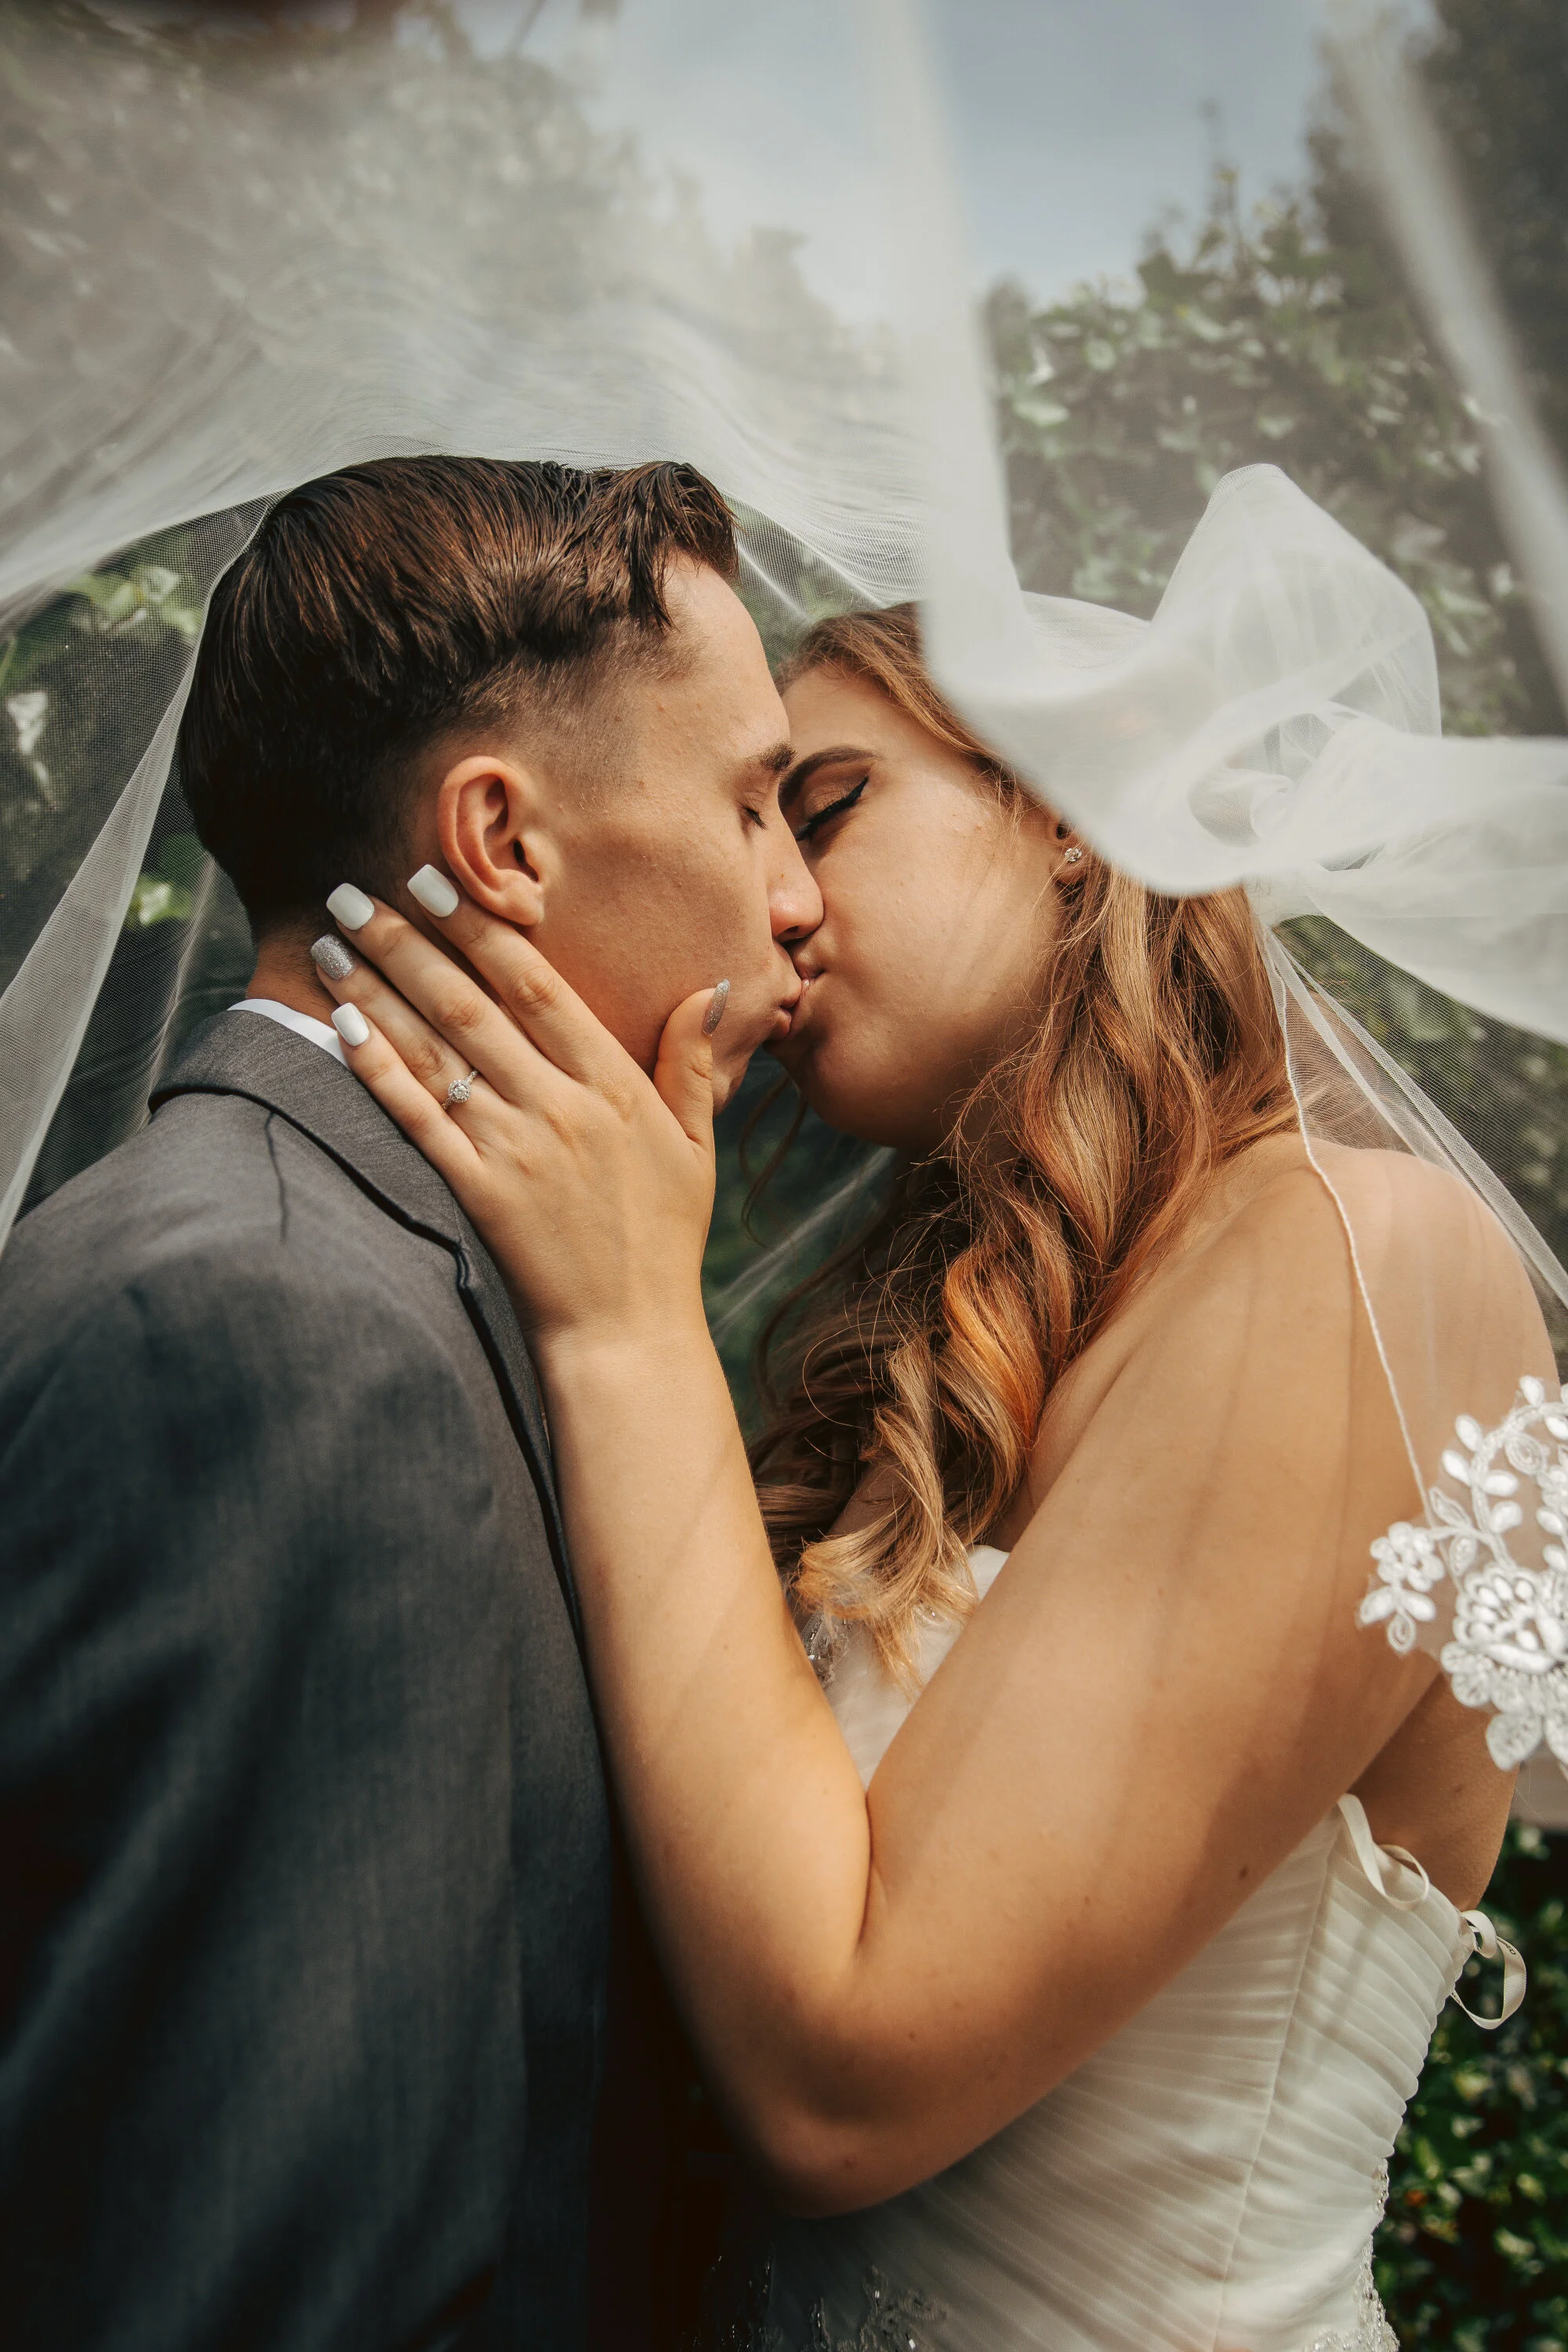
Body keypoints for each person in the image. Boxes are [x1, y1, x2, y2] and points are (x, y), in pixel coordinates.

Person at [313, 601, 1550, 2352]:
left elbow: (840, 2087)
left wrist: (625, 1321)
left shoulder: (1357, 1258)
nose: (775, 904)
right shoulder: (965, 1342)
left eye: (823, 810)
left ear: (1076, 801)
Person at [0, 455, 818, 2351]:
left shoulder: (404, 1270)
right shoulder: (271, 1331)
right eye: (753, 801)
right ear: (502, 838)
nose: (797, 900)